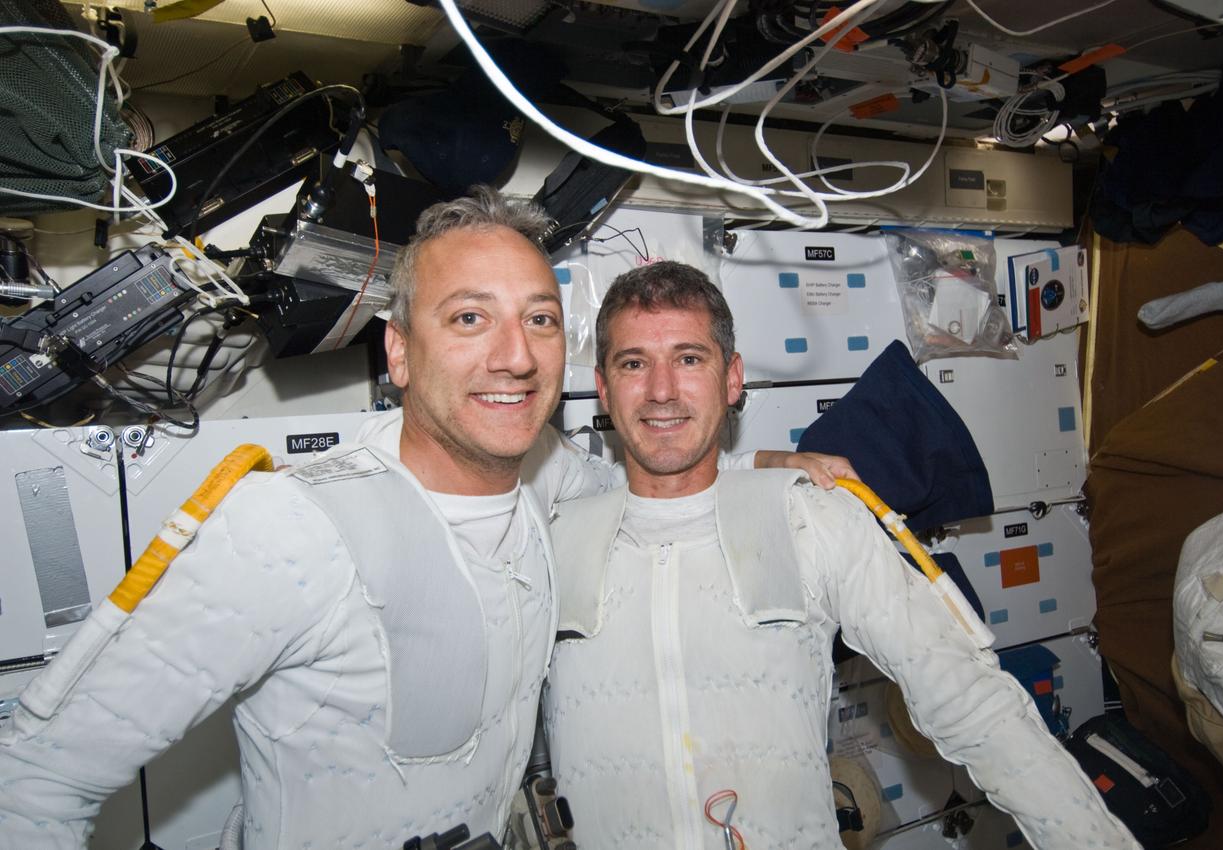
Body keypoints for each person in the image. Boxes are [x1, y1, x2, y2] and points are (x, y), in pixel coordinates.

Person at [0, 188, 849, 850]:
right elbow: (33, 777)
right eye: (470, 318)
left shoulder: (546, 481)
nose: (514, 356)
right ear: (399, 352)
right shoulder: (290, 529)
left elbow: (646, 477)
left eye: (539, 320)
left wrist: (758, 469)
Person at [543, 261, 1141, 850]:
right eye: (633, 363)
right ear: (604, 388)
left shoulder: (811, 518)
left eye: (689, 359)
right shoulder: (552, 535)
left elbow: (969, 698)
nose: (661, 390)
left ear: (732, 379)